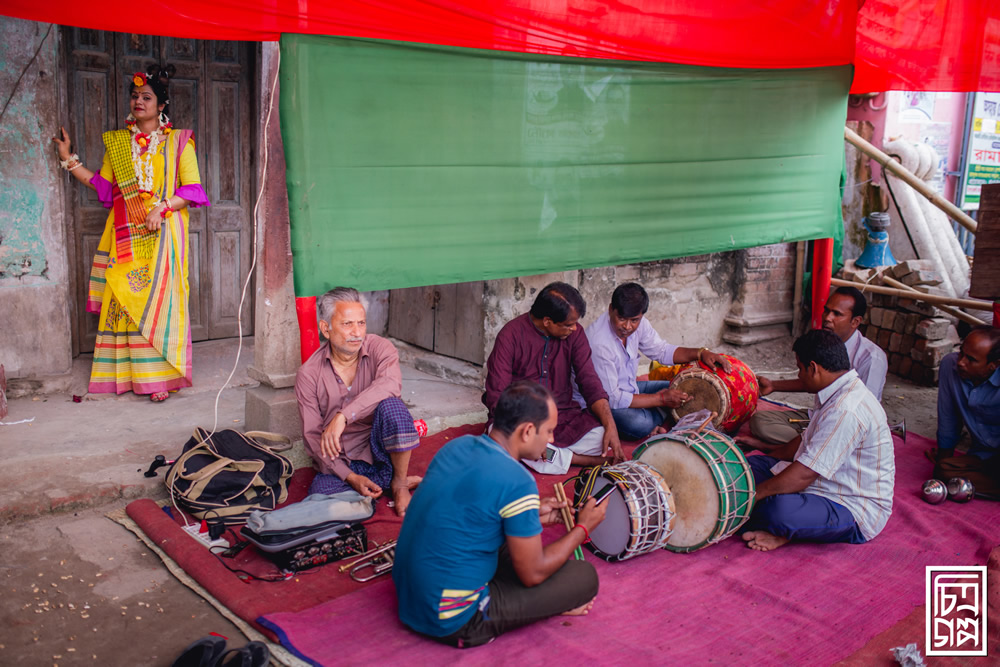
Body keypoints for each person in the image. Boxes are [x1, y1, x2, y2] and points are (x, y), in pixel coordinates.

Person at [394, 381, 605, 647]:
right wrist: (582, 528)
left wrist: (530, 515)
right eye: (549, 431)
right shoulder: (519, 481)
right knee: (583, 577)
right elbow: (533, 574)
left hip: (409, 595)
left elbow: (471, 510)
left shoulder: (457, 445)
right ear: (528, 431)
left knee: (522, 549)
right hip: (453, 618)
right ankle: (539, 606)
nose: (552, 440)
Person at [52, 65, 210, 402]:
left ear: (161, 104)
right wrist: (69, 159)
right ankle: (130, 374)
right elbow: (106, 189)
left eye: (147, 97)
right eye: (135, 96)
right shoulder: (118, 142)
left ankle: (160, 378)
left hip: (163, 233)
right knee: (126, 300)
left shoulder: (179, 142)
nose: (139, 101)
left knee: (158, 303)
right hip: (124, 234)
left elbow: (194, 190)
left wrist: (162, 206)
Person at [741, 329, 894, 552]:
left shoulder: (846, 409)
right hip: (819, 482)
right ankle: (788, 525)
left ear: (813, 368)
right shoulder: (834, 389)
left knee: (777, 510)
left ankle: (787, 531)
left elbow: (804, 474)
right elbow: (806, 440)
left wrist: (752, 497)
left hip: (850, 505)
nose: (799, 376)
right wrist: (767, 452)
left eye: (800, 369)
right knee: (748, 468)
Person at [294, 287, 421, 516]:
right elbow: (313, 438)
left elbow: (390, 385)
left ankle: (399, 482)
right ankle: (381, 484)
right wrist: (349, 477)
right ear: (326, 328)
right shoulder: (309, 374)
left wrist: (343, 416)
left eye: (361, 323)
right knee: (321, 498)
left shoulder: (380, 348)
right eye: (347, 324)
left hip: (380, 450)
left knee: (393, 406)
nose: (357, 332)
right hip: (343, 460)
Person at [483, 282, 622, 474]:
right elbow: (497, 396)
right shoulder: (510, 336)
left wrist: (610, 425)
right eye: (568, 325)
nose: (574, 328)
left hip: (563, 416)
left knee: (601, 438)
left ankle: (550, 455)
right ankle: (585, 460)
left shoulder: (576, 334)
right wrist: (528, 433)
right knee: (502, 437)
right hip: (523, 422)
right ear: (547, 321)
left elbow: (589, 380)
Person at [575, 282, 732, 440]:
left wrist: (700, 353)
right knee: (638, 424)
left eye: (634, 320)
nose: (627, 327)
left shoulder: (640, 324)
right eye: (621, 319)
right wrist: (661, 399)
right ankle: (659, 416)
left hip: (629, 389)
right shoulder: (599, 342)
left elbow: (661, 351)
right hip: (601, 403)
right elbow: (613, 398)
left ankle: (658, 415)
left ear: (641, 316)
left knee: (680, 388)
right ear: (611, 310)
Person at [750, 286, 887, 446]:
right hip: (820, 415)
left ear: (855, 321)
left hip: (845, 425)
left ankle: (812, 447)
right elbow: (813, 380)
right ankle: (809, 444)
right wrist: (773, 385)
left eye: (837, 314)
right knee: (760, 421)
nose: (827, 318)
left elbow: (864, 413)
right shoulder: (826, 342)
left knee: (827, 441)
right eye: (826, 311)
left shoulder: (872, 358)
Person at [930, 326, 1000, 497]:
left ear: (993, 366)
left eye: (971, 359)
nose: (961, 362)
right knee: (943, 471)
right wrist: (943, 459)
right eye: (961, 353)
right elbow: (948, 420)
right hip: (982, 457)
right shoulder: (950, 365)